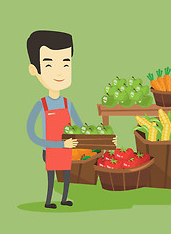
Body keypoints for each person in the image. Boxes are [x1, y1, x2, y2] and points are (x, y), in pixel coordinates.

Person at [26, 30, 117, 209]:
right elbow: (32, 135)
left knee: (67, 174)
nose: (60, 72)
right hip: (51, 150)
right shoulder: (41, 105)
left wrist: (104, 140)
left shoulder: (68, 104)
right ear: (34, 70)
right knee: (52, 176)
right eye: (50, 65)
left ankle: (64, 199)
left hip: (69, 149)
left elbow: (82, 128)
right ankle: (48, 201)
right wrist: (59, 145)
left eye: (66, 64)